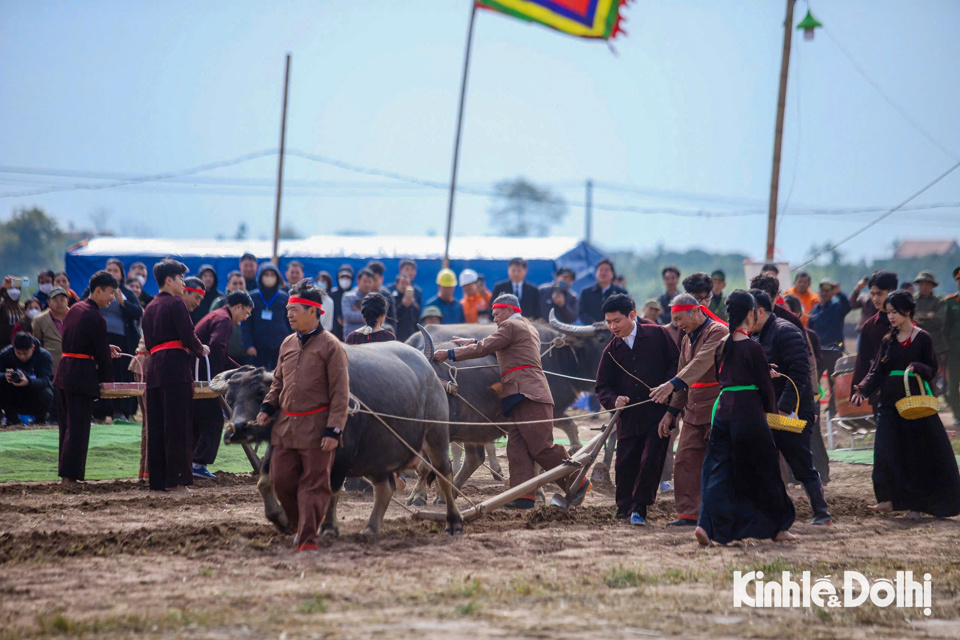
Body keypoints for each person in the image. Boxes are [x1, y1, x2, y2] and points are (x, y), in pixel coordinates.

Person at [433, 293, 589, 509]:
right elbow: (496, 346)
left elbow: (485, 348)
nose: (494, 318)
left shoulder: (511, 327)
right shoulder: (525, 328)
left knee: (541, 446)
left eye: (497, 314)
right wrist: (472, 341)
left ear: (508, 310)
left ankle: (578, 482)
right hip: (518, 394)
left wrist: (449, 353)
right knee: (517, 447)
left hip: (528, 393)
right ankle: (523, 495)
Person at [695, 290, 797, 546]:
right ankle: (779, 528)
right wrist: (772, 413)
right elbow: (763, 387)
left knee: (717, 471)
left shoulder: (722, 346)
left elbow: (725, 379)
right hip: (748, 415)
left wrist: (760, 370)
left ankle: (706, 526)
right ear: (751, 314)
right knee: (767, 470)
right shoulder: (753, 347)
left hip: (723, 413)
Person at [256, 282, 350, 553]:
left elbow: (340, 393)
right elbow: (277, 383)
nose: (289, 314)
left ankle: (308, 539)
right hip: (285, 428)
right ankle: (301, 526)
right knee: (281, 479)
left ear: (314, 311)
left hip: (318, 429)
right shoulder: (287, 343)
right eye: (288, 310)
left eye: (294, 310)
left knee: (313, 485)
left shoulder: (332, 346)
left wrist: (334, 430)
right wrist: (267, 407)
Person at [852, 291, 960, 519]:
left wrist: (917, 367)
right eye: (888, 312)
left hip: (913, 404)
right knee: (884, 450)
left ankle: (918, 505)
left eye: (895, 312)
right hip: (889, 402)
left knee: (915, 454)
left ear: (907, 311)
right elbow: (877, 371)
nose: (890, 317)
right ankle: (887, 500)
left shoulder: (923, 338)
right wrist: (862, 389)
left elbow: (932, 369)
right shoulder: (887, 340)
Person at [594, 293, 680, 525]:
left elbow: (676, 363)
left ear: (632, 315)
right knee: (625, 463)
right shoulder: (611, 351)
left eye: (617, 321)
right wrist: (614, 401)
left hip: (658, 413)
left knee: (651, 460)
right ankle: (623, 507)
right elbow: (602, 387)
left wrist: (668, 389)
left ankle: (639, 509)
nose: (612, 327)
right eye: (608, 322)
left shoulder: (657, 334)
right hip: (629, 418)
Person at [751, 289, 832, 526]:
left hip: (793, 410)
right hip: (769, 410)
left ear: (762, 311)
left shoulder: (786, 331)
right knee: (765, 461)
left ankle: (821, 512)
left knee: (799, 462)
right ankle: (772, 511)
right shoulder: (757, 335)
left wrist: (785, 407)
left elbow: (800, 372)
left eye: (749, 313)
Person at [649, 293, 727, 527]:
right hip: (693, 410)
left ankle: (722, 513)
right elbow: (685, 379)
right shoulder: (685, 339)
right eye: (674, 320)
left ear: (695, 311)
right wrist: (671, 412)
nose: (677, 324)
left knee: (721, 463)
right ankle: (689, 513)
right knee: (684, 461)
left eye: (680, 318)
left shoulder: (718, 332)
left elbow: (702, 362)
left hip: (717, 407)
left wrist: (671, 383)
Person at [142, 259, 209, 493]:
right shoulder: (176, 304)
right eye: (181, 278)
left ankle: (159, 482)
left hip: (154, 369)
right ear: (169, 280)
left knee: (158, 426)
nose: (183, 283)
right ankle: (177, 481)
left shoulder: (149, 307)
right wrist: (201, 349)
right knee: (178, 426)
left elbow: (150, 343)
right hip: (175, 369)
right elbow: (188, 336)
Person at [55, 271, 123, 486]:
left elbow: (81, 342)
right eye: (111, 293)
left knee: (67, 426)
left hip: (64, 371)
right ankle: (70, 477)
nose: (112, 298)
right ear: (99, 290)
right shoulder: (95, 317)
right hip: (80, 375)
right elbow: (102, 358)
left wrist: (104, 347)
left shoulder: (75, 309)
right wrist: (107, 382)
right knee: (78, 428)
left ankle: (66, 474)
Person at [192, 289, 253, 479]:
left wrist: (241, 370)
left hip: (197, 371)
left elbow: (221, 353)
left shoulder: (217, 315)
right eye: (247, 312)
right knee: (213, 419)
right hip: (204, 375)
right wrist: (220, 380)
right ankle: (198, 463)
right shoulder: (224, 320)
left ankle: (192, 462)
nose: (245, 317)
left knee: (201, 418)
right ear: (238, 307)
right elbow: (217, 347)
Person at [84, 258, 143, 422]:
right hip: (100, 338)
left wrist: (122, 301)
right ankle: (99, 412)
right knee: (101, 373)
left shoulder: (127, 292)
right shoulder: (93, 290)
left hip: (122, 340)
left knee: (122, 375)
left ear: (122, 275)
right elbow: (83, 305)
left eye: (115, 270)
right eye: (109, 269)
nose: (112, 273)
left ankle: (123, 411)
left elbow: (138, 312)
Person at [853, 271, 899, 409]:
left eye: (879, 294)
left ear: (892, 291)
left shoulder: (908, 324)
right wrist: (857, 389)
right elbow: (863, 361)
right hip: (879, 390)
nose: (875, 298)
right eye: (872, 294)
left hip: (907, 390)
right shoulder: (869, 326)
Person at [808, 278, 852, 415]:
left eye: (828, 291)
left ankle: (833, 409)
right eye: (822, 291)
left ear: (831, 293)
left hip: (834, 352)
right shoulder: (814, 311)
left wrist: (840, 293)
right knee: (813, 382)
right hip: (819, 353)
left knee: (835, 382)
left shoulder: (837, 308)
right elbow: (809, 332)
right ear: (818, 292)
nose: (825, 294)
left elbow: (847, 307)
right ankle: (814, 408)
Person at [242, 263, 292, 370]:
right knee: (259, 380)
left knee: (279, 377)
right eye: (266, 275)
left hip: (280, 346)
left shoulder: (284, 297)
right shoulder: (252, 297)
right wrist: (248, 345)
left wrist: (291, 344)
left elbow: (291, 322)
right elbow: (246, 324)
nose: (269, 278)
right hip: (258, 348)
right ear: (260, 277)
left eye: (272, 275)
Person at [0, 332, 54, 424]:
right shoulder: (5, 355)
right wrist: (5, 376)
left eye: (25, 353)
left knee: (47, 392)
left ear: (32, 348)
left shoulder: (44, 356)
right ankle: (12, 420)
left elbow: (46, 380)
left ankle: (40, 420)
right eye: (18, 353)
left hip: (34, 394)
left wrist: (29, 381)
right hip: (12, 393)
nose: (22, 356)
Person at [211, 270, 251, 367]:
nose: (238, 286)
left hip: (247, 354)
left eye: (241, 283)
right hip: (226, 353)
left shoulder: (251, 304)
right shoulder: (219, 303)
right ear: (228, 285)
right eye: (235, 283)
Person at [913, 270, 947, 368]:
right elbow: (910, 318)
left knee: (932, 377)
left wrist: (919, 317)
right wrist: (928, 316)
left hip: (934, 347)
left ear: (932, 286)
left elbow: (939, 321)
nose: (924, 287)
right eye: (921, 284)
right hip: (915, 345)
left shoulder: (939, 301)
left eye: (927, 284)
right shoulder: (911, 300)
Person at [579, 258, 627, 325]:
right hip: (590, 331)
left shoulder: (621, 293)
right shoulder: (586, 292)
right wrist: (593, 323)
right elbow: (582, 312)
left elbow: (626, 311)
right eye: (600, 270)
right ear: (596, 273)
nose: (603, 273)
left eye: (606, 270)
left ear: (613, 274)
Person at [33, 287, 68, 374]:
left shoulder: (76, 316)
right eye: (55, 300)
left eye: (62, 299)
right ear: (48, 302)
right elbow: (37, 344)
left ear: (67, 301)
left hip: (73, 367)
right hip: (51, 368)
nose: (59, 303)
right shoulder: (39, 320)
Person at [342, 268, 379, 336]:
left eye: (369, 282)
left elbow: (378, 318)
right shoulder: (348, 296)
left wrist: (358, 312)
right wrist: (369, 315)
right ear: (358, 281)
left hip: (369, 338)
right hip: (352, 337)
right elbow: (348, 316)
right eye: (365, 281)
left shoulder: (375, 299)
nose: (367, 284)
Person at [945, 267, 960, 426]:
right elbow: (945, 327)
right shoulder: (950, 302)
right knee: (953, 385)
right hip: (954, 351)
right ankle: (957, 414)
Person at [389, 272, 421, 342]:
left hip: (411, 339)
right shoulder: (392, 300)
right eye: (402, 283)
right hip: (396, 338)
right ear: (397, 285)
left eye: (407, 284)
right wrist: (403, 306)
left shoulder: (414, 304)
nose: (404, 286)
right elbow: (392, 319)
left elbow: (417, 323)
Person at [850, 273, 878, 341]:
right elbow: (852, 305)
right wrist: (857, 289)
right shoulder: (864, 297)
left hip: (878, 329)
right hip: (864, 329)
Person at [331, 264, 354, 342]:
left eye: (347, 277)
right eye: (342, 277)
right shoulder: (332, 295)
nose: (345, 279)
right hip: (334, 335)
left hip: (351, 335)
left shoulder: (355, 295)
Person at [0, 278, 25, 346]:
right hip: (3, 345)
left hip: (21, 345)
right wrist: (3, 289)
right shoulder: (2, 306)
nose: (14, 291)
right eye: (11, 288)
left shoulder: (22, 307)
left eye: (17, 288)